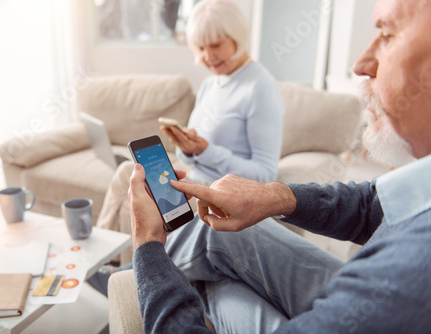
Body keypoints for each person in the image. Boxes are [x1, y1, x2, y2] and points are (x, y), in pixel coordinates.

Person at [128, 0, 431, 332]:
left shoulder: (411, 271)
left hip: (367, 303)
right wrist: (273, 198)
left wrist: (147, 246)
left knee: (204, 270)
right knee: (213, 250)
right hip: (365, 291)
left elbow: (263, 167)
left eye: (386, 34)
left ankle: (131, 274)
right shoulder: (418, 189)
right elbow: (371, 206)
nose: (359, 64)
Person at [93, 0, 284, 265]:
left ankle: (123, 270)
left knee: (131, 180)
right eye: (201, 47)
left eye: (216, 45)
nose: (207, 57)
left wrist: (207, 150)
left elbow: (265, 175)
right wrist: (188, 148)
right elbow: (198, 156)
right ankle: (108, 264)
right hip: (196, 179)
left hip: (217, 196)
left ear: (237, 36)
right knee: (127, 173)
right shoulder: (210, 85)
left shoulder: (260, 87)